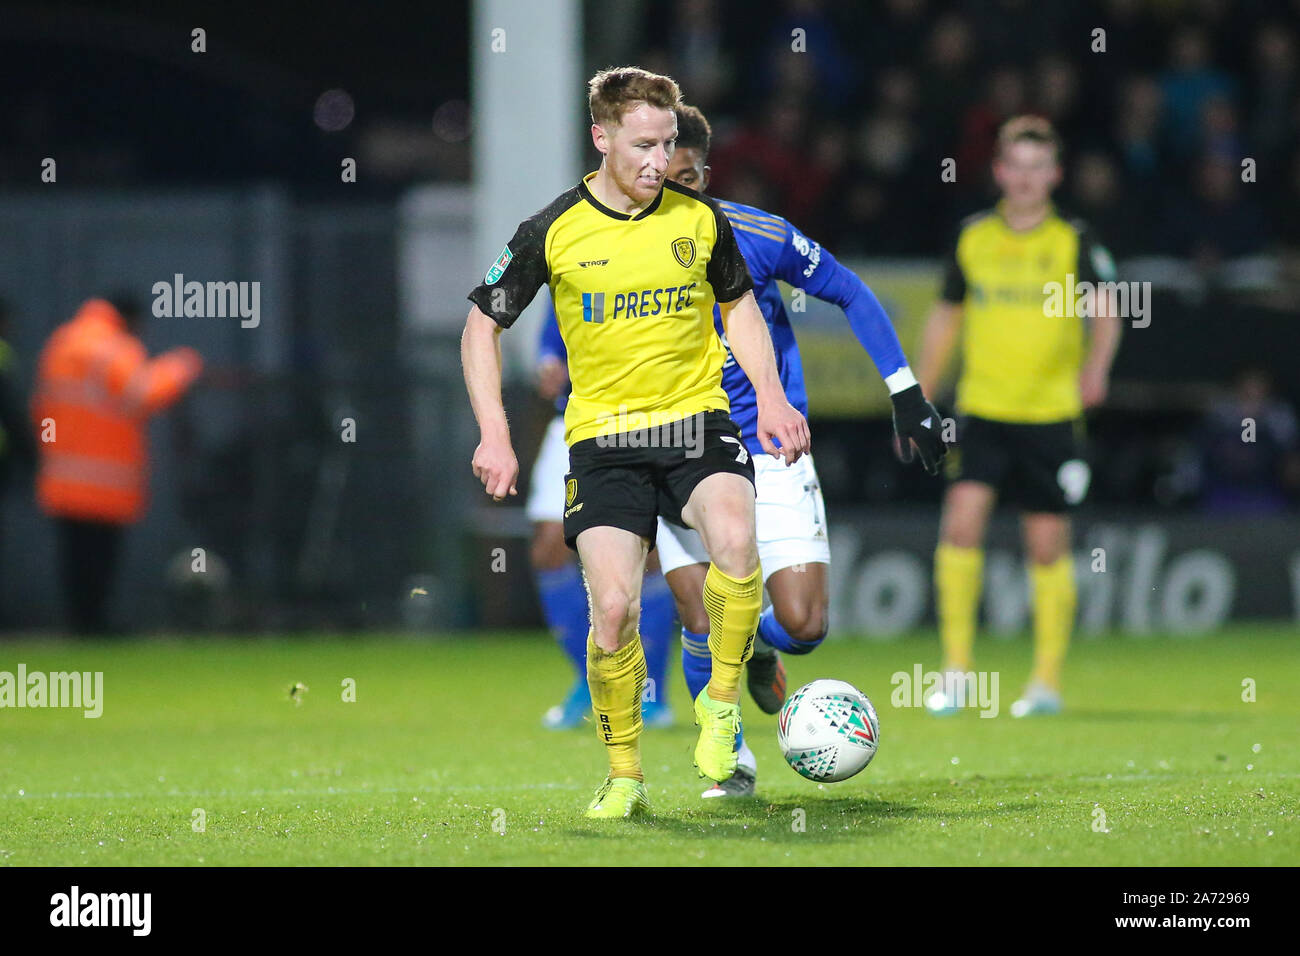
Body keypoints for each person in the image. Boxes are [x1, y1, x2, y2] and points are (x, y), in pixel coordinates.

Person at [462, 66, 810, 819]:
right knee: (613, 609)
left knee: (736, 543)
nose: (660, 162)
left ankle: (719, 711)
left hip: (696, 423)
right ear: (602, 137)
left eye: (668, 145)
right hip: (604, 443)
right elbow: (481, 326)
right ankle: (625, 776)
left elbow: (741, 309)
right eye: (644, 146)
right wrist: (495, 431)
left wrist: (774, 396)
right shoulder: (552, 230)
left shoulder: (698, 220)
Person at [656, 104, 947, 796]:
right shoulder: (614, 247)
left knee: (804, 623)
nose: (674, 187)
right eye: (662, 174)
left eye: (687, 174)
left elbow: (848, 289)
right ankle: (730, 759)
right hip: (673, 449)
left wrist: (905, 392)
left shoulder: (755, 233)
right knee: (700, 617)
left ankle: (754, 645)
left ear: (703, 171)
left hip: (767, 443)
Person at [916, 116, 1121, 717]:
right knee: (960, 525)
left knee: (1047, 545)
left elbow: (1106, 310)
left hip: (1052, 415)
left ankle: (1045, 683)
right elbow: (944, 317)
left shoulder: (1075, 240)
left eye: (1039, 166)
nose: (1027, 178)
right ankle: (956, 674)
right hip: (983, 409)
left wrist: (1097, 370)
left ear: (1055, 175)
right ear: (1000, 171)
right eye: (1017, 166)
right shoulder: (973, 237)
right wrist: (921, 393)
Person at [528, 299, 678, 730]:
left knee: (643, 553)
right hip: (574, 421)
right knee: (548, 548)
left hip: (641, 420)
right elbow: (551, 337)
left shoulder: (650, 257)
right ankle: (594, 679)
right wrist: (548, 363)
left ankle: (650, 691)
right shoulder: (570, 256)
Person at [32, 295, 203, 634]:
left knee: (75, 559)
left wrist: (49, 450)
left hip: (61, 475)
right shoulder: (113, 348)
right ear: (129, 318)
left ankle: (79, 625)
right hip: (105, 479)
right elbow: (142, 394)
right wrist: (181, 367)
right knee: (101, 560)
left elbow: (43, 407)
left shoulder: (62, 343)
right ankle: (95, 625)